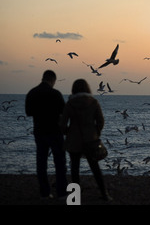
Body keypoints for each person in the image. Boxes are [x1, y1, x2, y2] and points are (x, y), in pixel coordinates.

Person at [59, 79, 111, 201]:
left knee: (74, 169)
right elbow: (101, 121)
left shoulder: (70, 104)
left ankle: (75, 197)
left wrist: (68, 133)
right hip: (91, 140)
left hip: (74, 141)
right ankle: (105, 194)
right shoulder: (93, 102)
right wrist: (96, 133)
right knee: (95, 168)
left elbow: (62, 124)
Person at [25, 70, 68, 199]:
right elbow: (64, 113)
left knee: (41, 162)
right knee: (60, 162)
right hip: (55, 132)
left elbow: (28, 112)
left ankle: (45, 192)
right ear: (53, 80)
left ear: (43, 78)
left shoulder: (32, 93)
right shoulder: (55, 94)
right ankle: (62, 192)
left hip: (39, 131)